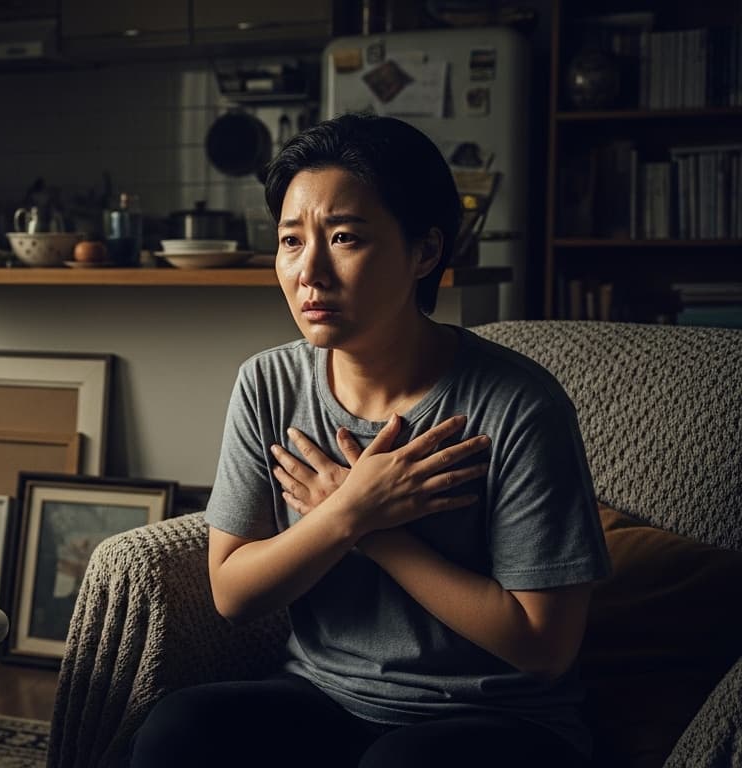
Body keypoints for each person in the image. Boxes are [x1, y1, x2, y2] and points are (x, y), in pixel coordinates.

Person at [130, 113, 610, 768]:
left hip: (496, 719)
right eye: (292, 241)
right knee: (177, 728)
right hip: (326, 698)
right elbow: (232, 594)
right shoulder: (268, 383)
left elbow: (544, 647)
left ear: (424, 251)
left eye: (346, 238)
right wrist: (348, 513)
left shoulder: (518, 405)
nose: (310, 272)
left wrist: (378, 532)